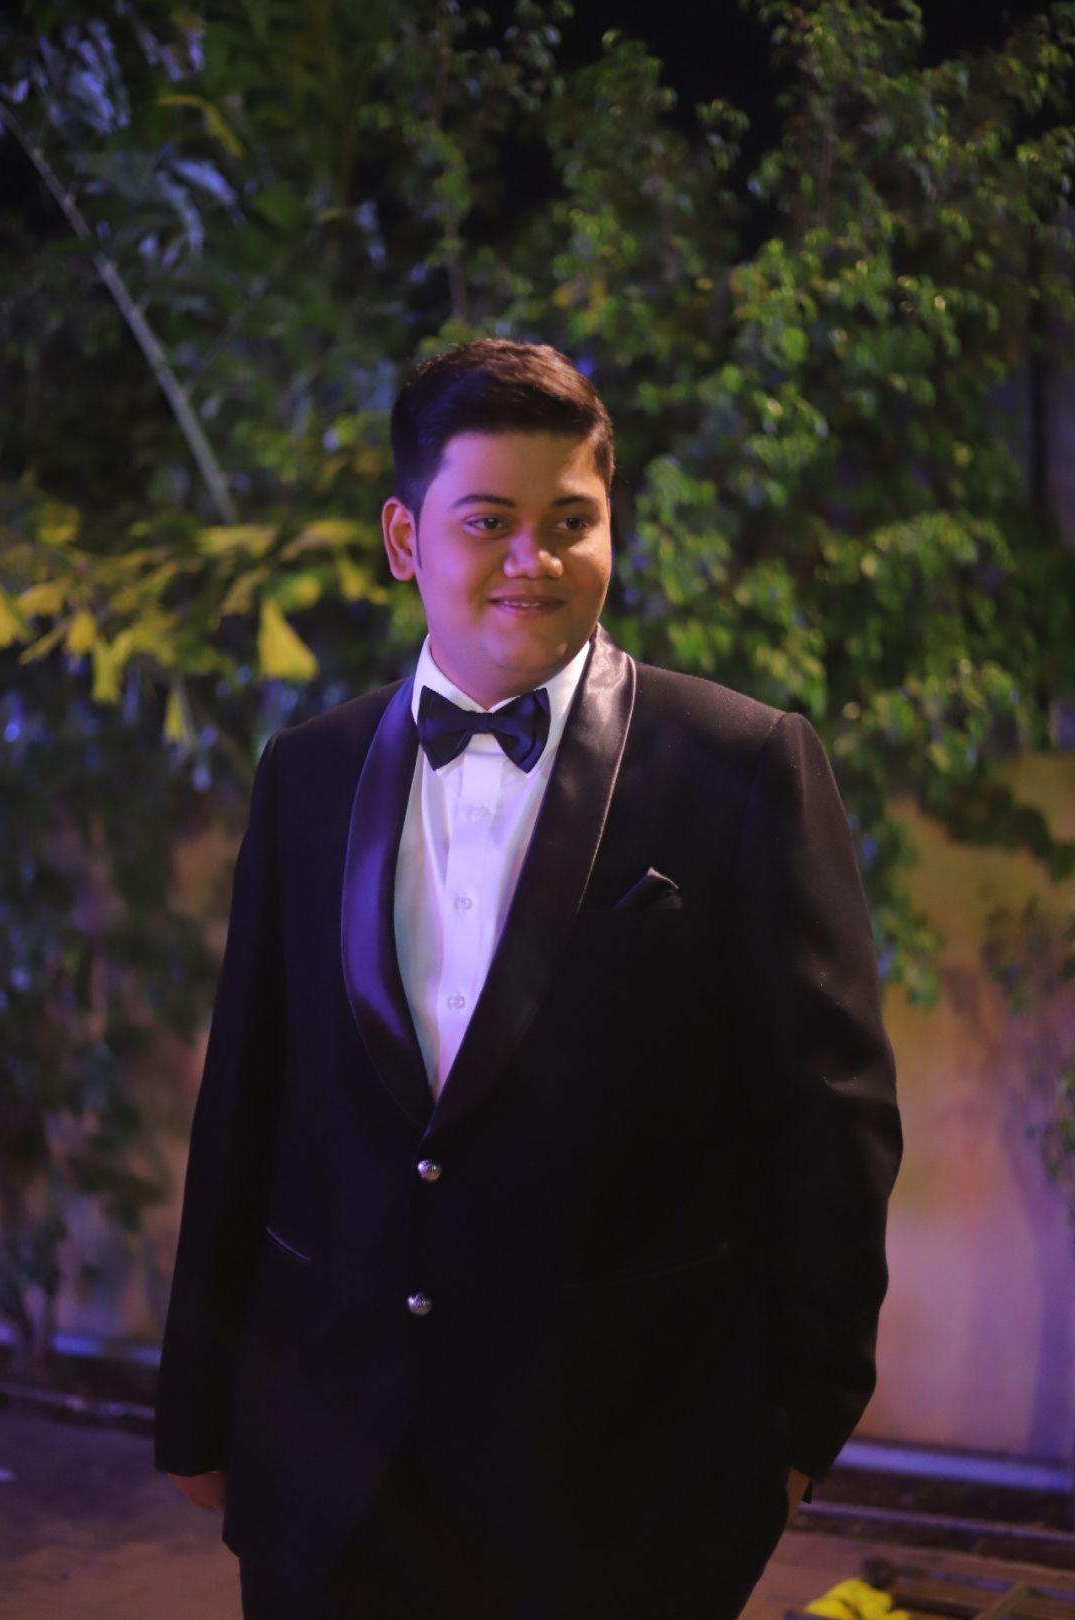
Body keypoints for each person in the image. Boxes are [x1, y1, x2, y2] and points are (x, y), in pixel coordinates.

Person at [154, 337, 902, 1620]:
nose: (533, 560)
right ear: (405, 538)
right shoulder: (306, 772)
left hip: (622, 1483)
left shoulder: (743, 765)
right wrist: (199, 1404)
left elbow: (835, 1126)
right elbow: (247, 1103)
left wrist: (790, 1438)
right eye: (488, 521)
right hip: (329, 1467)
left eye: (571, 522)